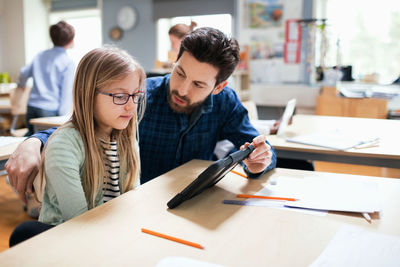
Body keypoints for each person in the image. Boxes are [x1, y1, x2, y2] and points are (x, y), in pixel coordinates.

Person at [6, 27, 276, 204]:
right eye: (180, 73)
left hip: (193, 203)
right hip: (136, 206)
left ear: (218, 88)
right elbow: (82, 126)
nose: (181, 89)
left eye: (198, 85)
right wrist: (34, 141)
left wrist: (260, 161)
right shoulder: (140, 95)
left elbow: (259, 148)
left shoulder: (225, 102)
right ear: (175, 60)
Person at [8, 46, 146, 246]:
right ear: (88, 94)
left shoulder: (127, 138)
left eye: (135, 95)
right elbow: (80, 221)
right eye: (120, 96)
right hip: (72, 238)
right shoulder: (65, 145)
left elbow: (133, 198)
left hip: (112, 232)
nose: (131, 106)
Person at [17, 21, 76, 136]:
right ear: (71, 41)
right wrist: (63, 117)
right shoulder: (68, 63)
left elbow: (23, 72)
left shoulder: (40, 55)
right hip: (49, 111)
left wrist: (22, 85)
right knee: (46, 141)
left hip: (32, 106)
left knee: (31, 137)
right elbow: (66, 93)